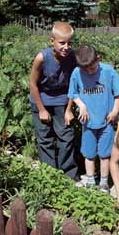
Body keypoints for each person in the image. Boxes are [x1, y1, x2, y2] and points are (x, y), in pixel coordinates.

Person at [67, 44, 119, 193]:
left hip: (107, 122)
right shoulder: (77, 73)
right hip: (88, 122)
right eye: (85, 69)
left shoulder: (108, 71)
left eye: (91, 68)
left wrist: (115, 111)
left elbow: (118, 93)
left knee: (105, 154)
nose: (88, 71)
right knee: (89, 153)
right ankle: (90, 180)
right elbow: (73, 93)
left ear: (98, 59)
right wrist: (81, 105)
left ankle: (104, 182)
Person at [29, 21, 78, 180]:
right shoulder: (42, 58)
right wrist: (42, 109)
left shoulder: (72, 57)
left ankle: (68, 174)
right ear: (52, 41)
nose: (66, 47)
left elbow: (73, 84)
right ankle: (49, 175)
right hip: (41, 100)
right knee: (45, 138)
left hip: (62, 101)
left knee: (66, 136)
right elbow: (33, 84)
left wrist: (69, 110)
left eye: (69, 43)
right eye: (62, 43)